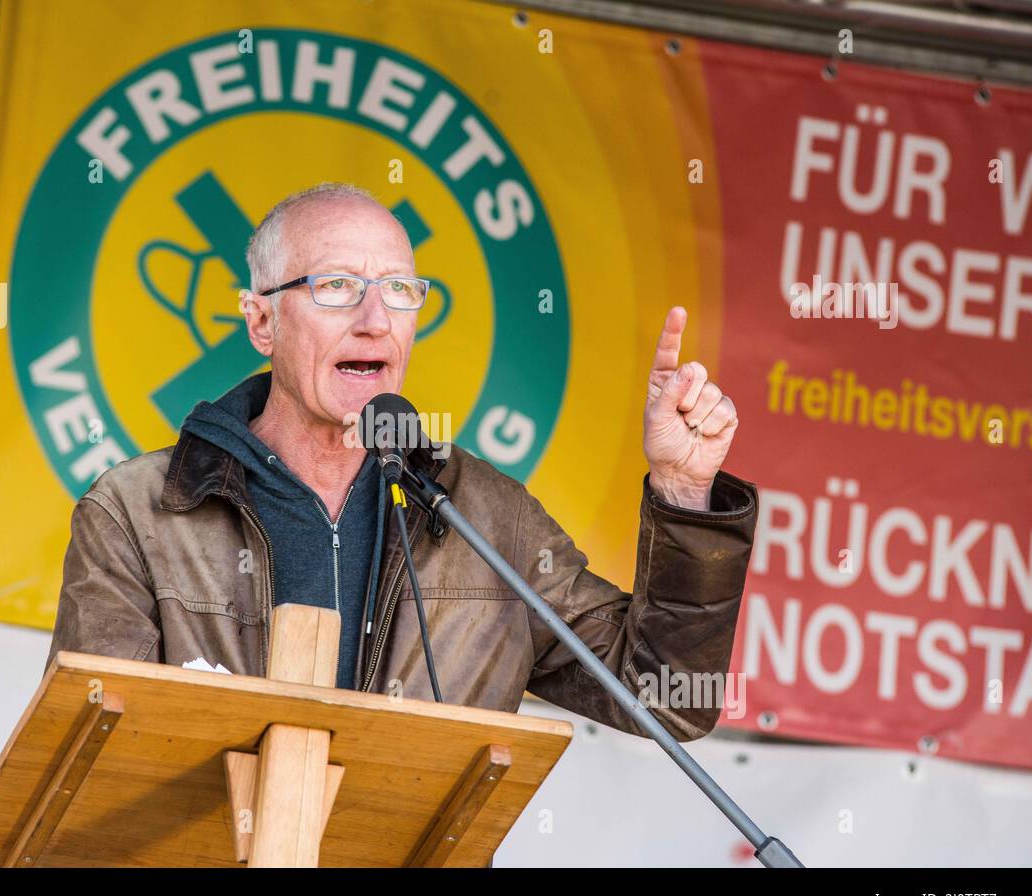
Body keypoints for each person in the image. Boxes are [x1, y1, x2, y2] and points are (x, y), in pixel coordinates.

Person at [47, 182, 756, 742]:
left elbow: (665, 700)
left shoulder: (486, 514)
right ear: (261, 321)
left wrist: (684, 492)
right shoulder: (139, 511)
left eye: (399, 290)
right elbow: (91, 748)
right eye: (335, 287)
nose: (375, 319)